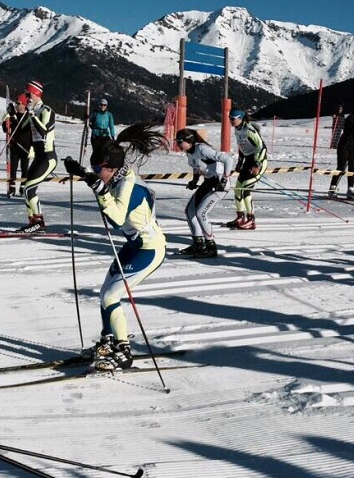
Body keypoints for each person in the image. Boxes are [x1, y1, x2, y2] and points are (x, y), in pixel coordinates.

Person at [63, 123, 167, 371]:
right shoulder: (118, 176)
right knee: (104, 295)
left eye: (100, 169)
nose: (98, 173)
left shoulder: (129, 188)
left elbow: (118, 217)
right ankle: (107, 342)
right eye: (96, 168)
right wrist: (85, 174)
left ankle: (123, 351)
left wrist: (98, 188)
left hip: (150, 249)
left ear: (112, 168)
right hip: (134, 245)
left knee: (112, 296)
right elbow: (104, 187)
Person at [175, 128, 233, 258]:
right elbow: (197, 166)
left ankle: (211, 247)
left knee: (201, 213)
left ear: (188, 141)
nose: (178, 144)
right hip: (208, 182)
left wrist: (224, 179)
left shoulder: (202, 149)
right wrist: (194, 180)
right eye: (177, 141)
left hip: (218, 184)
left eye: (180, 141)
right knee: (190, 211)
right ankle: (198, 244)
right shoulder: (189, 151)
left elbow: (228, 160)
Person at [15, 80, 57, 233]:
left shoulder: (46, 110)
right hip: (38, 156)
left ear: (35, 93)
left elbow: (44, 131)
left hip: (48, 157)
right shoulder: (31, 111)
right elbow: (21, 130)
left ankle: (39, 222)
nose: (27, 97)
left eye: (28, 94)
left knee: (28, 189)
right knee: (27, 190)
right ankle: (33, 221)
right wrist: (14, 114)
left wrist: (32, 114)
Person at [225, 108, 268, 230]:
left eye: (233, 119)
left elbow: (261, 147)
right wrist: (240, 162)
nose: (231, 121)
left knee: (245, 190)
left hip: (258, 161)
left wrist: (257, 165)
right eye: (230, 118)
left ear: (240, 118)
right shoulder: (237, 130)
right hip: (248, 161)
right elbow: (242, 147)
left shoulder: (249, 129)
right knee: (238, 189)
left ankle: (251, 220)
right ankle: (240, 217)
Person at [2, 94, 32, 198]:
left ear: (24, 104)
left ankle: (23, 189)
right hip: (14, 147)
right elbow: (5, 128)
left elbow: (22, 127)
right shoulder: (13, 115)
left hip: (25, 148)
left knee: (25, 170)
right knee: (12, 170)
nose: (17, 105)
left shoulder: (28, 116)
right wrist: (7, 115)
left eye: (19, 103)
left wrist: (13, 118)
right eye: (16, 103)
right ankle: (12, 189)